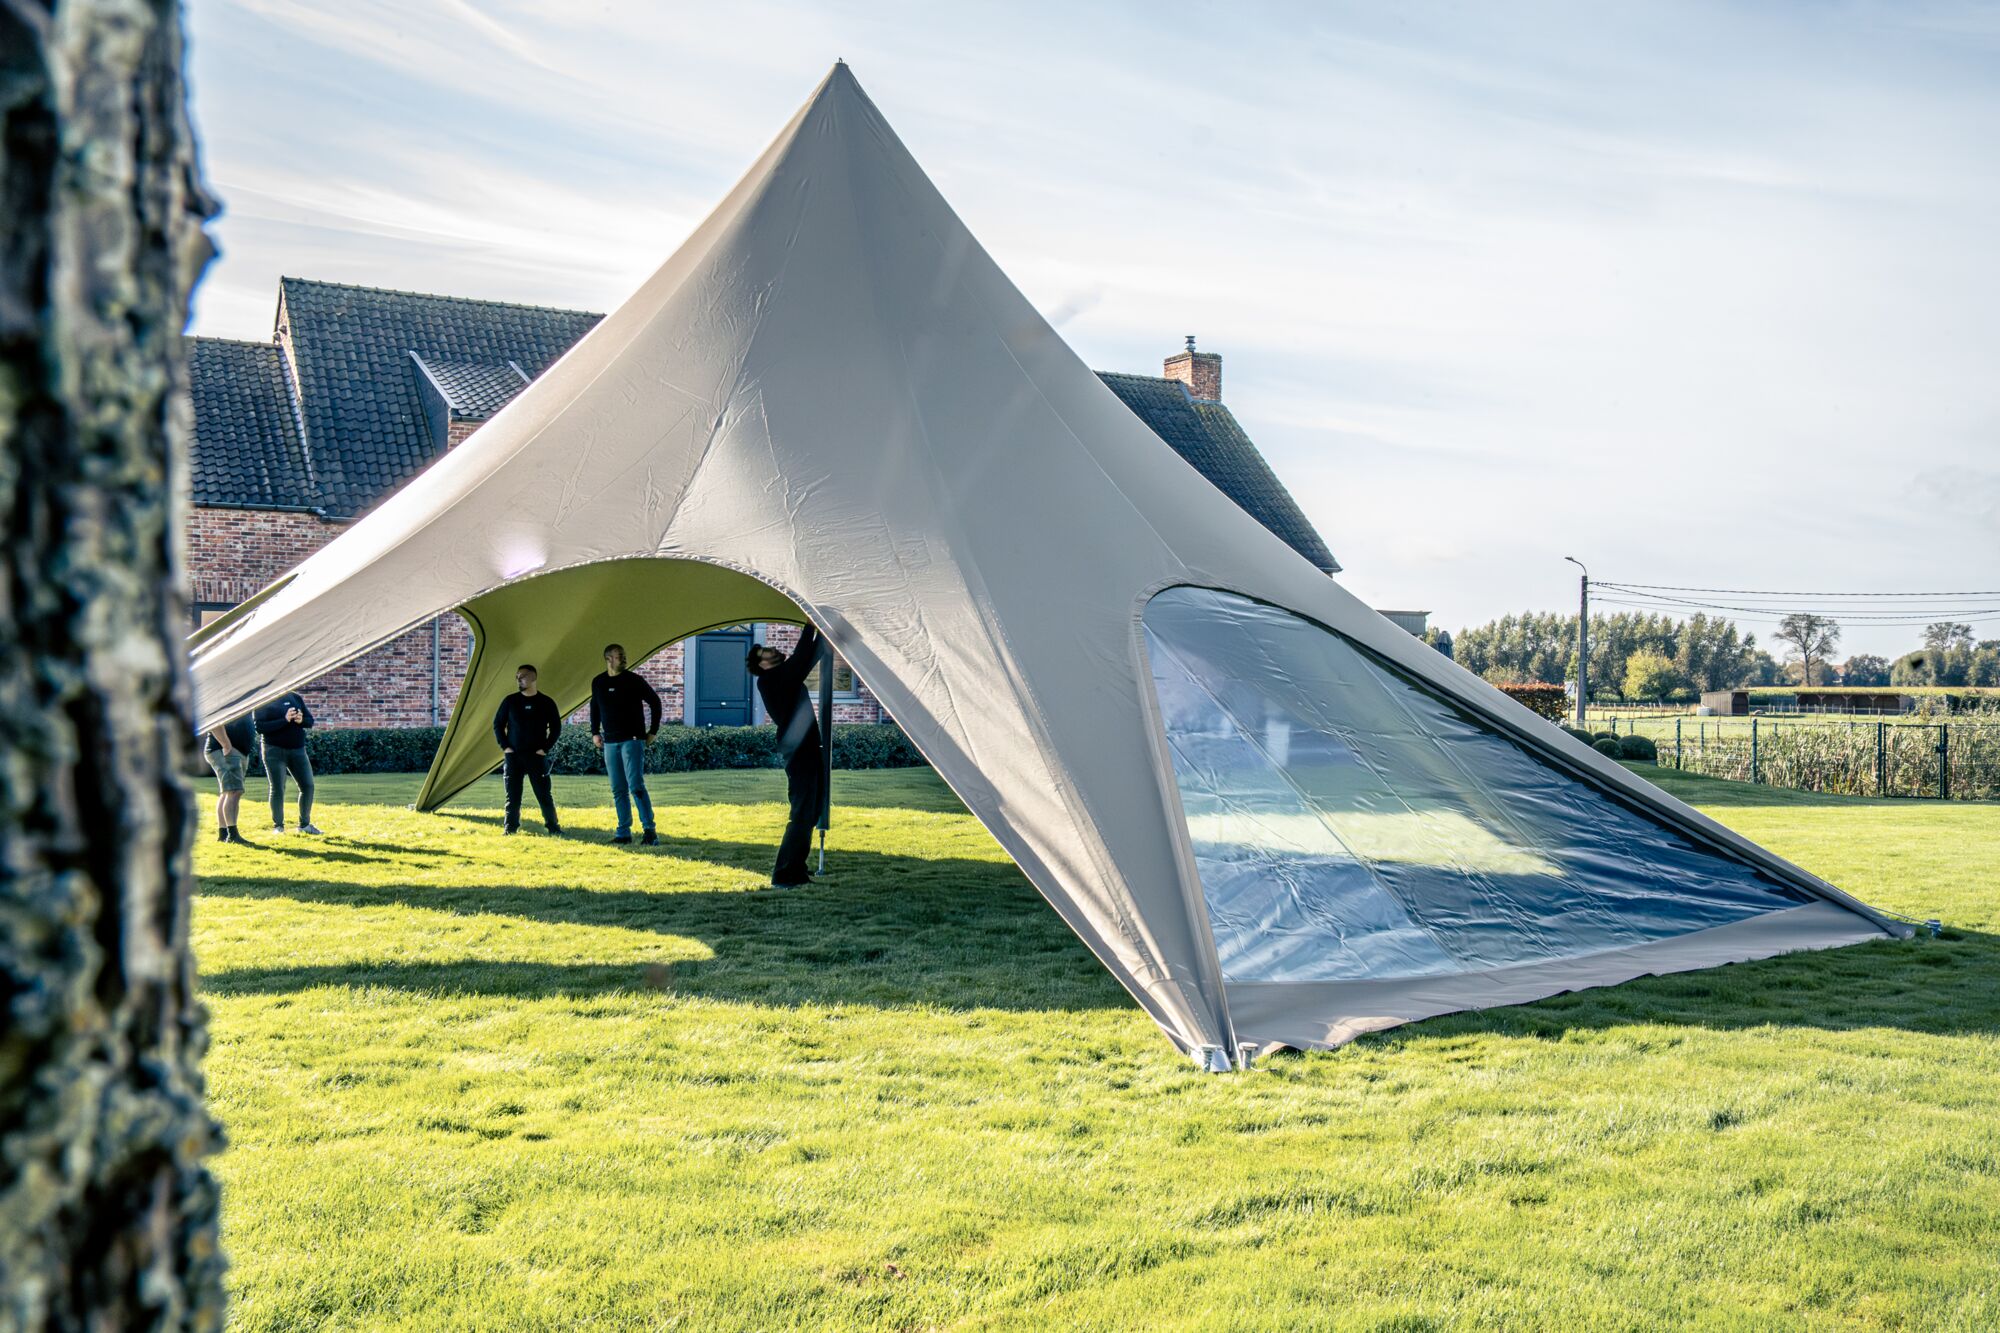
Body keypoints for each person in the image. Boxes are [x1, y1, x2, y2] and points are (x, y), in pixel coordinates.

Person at [746, 622, 824, 889]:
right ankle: (783, 874)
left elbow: (810, 656)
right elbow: (803, 657)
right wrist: (809, 624)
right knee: (802, 811)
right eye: (766, 650)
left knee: (811, 812)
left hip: (808, 748)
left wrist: (821, 632)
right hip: (799, 751)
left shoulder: (782, 676)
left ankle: (797, 871)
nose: (773, 648)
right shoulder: (770, 680)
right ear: (761, 663)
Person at [589, 643, 660, 845]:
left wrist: (652, 731)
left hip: (633, 740)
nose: (624, 658)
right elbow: (595, 707)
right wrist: (595, 732)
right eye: (619, 655)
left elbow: (655, 702)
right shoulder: (598, 682)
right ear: (608, 659)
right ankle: (623, 833)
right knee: (618, 788)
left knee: (636, 785)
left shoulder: (634, 681)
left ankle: (649, 831)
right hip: (610, 742)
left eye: (624, 655)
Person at [493, 663, 562, 835]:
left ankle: (554, 828)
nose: (518, 679)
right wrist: (506, 747)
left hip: (536, 756)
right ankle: (510, 828)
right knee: (513, 796)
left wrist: (544, 749)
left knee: (544, 794)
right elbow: (498, 725)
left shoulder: (546, 702)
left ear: (533, 677)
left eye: (522, 676)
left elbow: (556, 728)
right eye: (517, 677)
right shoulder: (510, 701)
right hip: (514, 756)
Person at [253, 687, 320, 834]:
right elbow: (259, 727)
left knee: (308, 786)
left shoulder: (295, 697)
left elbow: (310, 721)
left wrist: (301, 720)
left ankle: (304, 825)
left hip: (298, 750)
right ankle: (278, 826)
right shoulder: (264, 699)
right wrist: (284, 719)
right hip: (273, 751)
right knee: (278, 788)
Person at [203, 715, 257, 845]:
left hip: (236, 750)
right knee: (234, 790)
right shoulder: (222, 696)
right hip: (224, 749)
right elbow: (213, 721)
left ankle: (224, 834)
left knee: (227, 792)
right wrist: (226, 745)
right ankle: (232, 835)